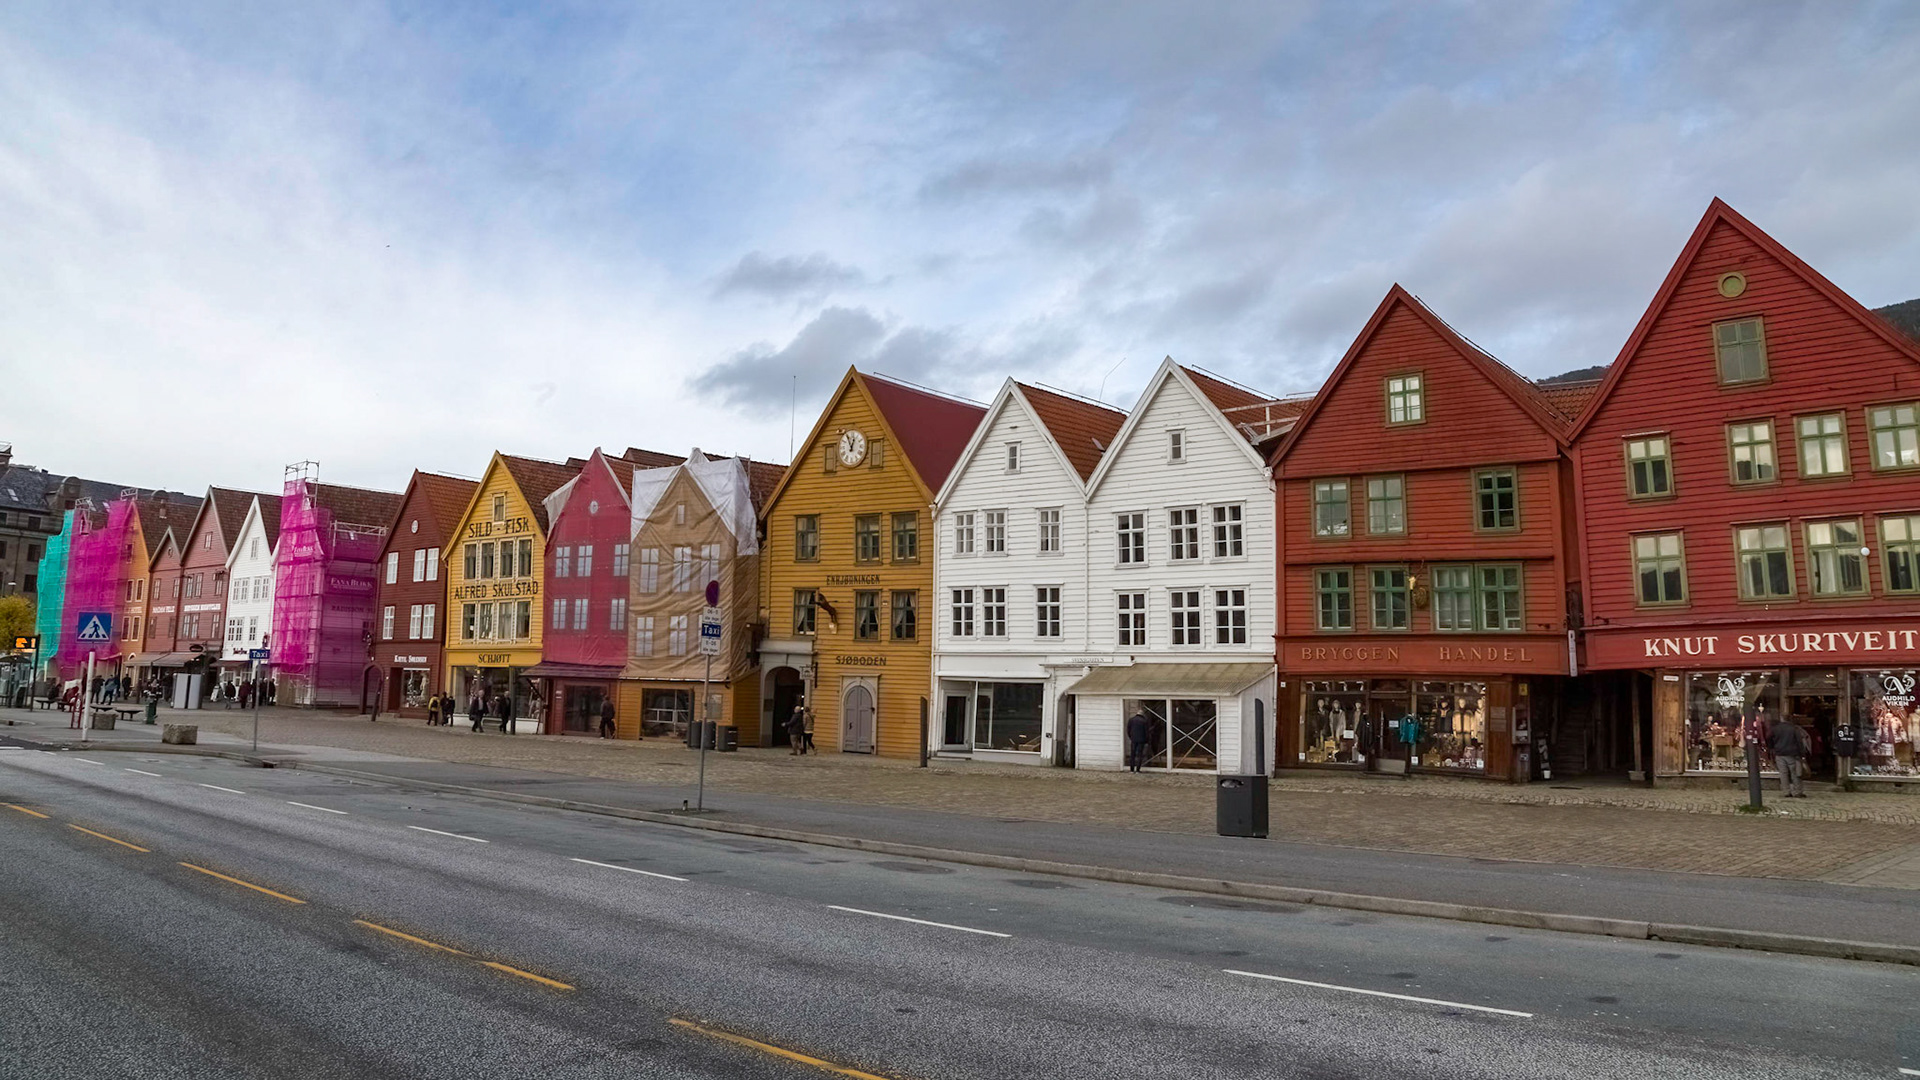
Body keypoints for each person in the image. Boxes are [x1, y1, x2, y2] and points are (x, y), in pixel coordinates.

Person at [1769, 715, 1811, 798]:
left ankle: (1786, 791)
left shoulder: (1775, 728)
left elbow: (1769, 738)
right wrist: (1802, 754)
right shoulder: (1794, 729)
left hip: (1779, 753)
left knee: (1783, 773)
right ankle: (1797, 791)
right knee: (1795, 773)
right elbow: (1799, 742)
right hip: (1793, 754)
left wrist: (1772, 748)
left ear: (1781, 719)